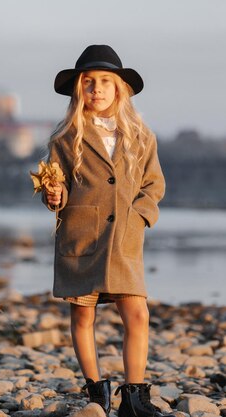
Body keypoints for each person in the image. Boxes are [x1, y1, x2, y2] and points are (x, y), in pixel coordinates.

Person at [43, 45, 171, 417]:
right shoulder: (64, 137)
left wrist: (140, 216)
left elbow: (154, 185)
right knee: (83, 316)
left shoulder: (141, 136)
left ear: (119, 89)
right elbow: (59, 188)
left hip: (125, 241)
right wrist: (54, 195)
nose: (96, 89)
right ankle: (96, 393)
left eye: (104, 82)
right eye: (88, 82)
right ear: (78, 90)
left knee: (137, 315)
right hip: (81, 237)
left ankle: (134, 396)